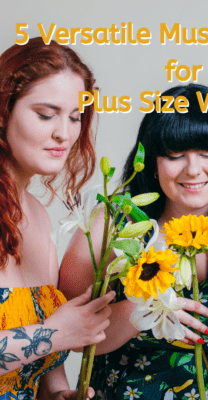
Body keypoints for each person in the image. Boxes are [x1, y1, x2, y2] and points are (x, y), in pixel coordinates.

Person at [59, 83, 208, 400]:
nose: (193, 170)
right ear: (150, 160)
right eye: (175, 154)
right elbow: (71, 338)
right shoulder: (110, 223)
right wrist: (146, 306)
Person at [0, 38, 115, 400]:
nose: (63, 134)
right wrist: (53, 334)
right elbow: (52, 334)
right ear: (3, 110)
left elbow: (41, 368)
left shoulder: (38, 214)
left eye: (75, 117)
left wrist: (60, 393)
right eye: (46, 114)